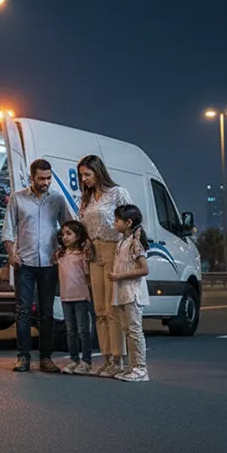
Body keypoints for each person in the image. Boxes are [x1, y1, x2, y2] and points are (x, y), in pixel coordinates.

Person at [2, 158, 67, 373]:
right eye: (41, 178)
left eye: (48, 178)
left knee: (46, 312)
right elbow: (8, 229)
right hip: (25, 263)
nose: (46, 182)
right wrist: (12, 254)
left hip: (49, 263)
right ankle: (23, 358)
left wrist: (62, 249)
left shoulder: (57, 199)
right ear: (32, 178)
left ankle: (46, 358)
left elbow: (69, 227)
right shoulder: (18, 199)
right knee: (23, 312)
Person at [77, 154, 133, 378]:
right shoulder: (87, 198)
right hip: (94, 253)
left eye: (87, 174)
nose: (84, 179)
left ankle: (119, 359)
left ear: (98, 172)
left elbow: (133, 221)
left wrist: (128, 250)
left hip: (114, 251)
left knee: (113, 310)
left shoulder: (117, 193)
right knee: (99, 311)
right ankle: (107, 357)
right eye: (81, 175)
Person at [107, 204, 150, 382]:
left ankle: (140, 368)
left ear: (128, 222)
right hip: (123, 292)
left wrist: (119, 276)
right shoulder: (123, 241)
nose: (114, 223)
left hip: (133, 292)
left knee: (134, 330)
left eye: (117, 220)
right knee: (127, 330)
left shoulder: (135, 242)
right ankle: (132, 367)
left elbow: (144, 269)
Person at [54, 220, 95, 375]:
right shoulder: (60, 255)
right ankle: (74, 359)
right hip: (66, 297)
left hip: (81, 297)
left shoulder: (82, 255)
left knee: (83, 330)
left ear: (78, 236)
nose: (65, 237)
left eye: (69, 234)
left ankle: (86, 360)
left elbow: (87, 276)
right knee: (70, 330)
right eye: (63, 234)